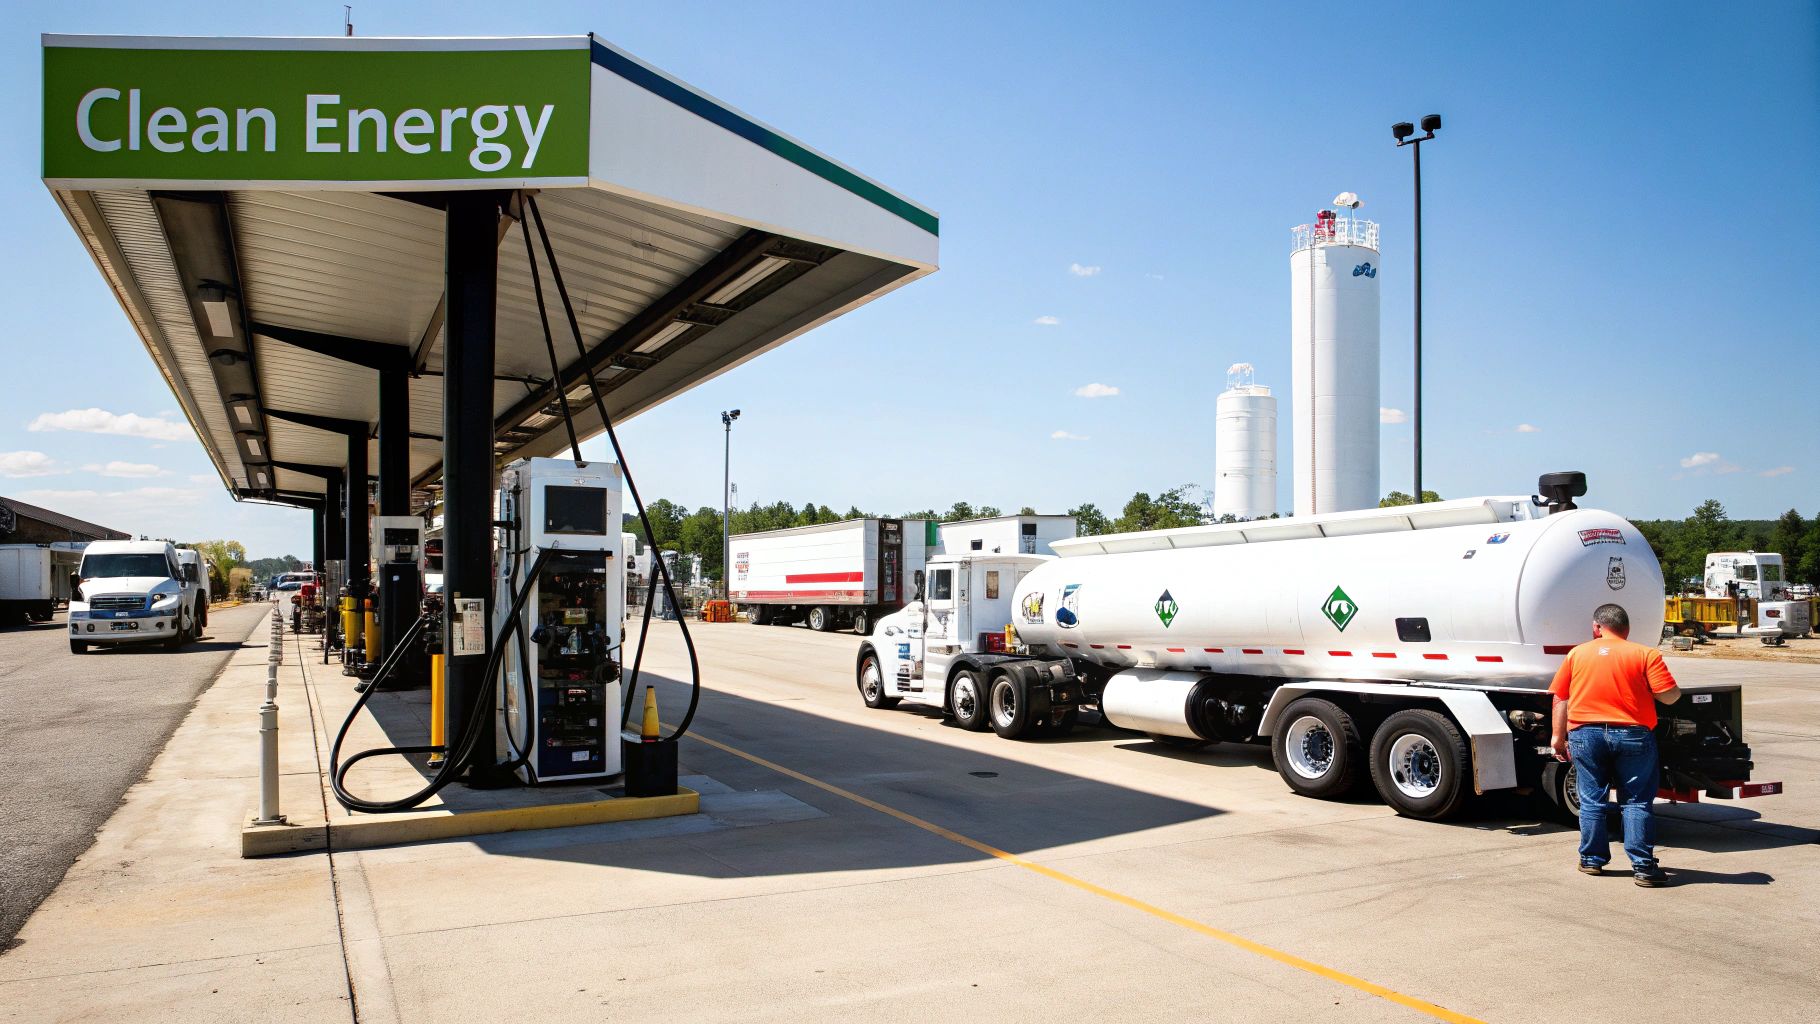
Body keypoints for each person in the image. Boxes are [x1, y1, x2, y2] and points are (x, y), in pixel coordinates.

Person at [1549, 603, 1681, 886]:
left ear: (1597, 627)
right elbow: (1669, 696)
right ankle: (1644, 868)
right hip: (1633, 734)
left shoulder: (1577, 654)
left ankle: (1592, 860)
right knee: (1636, 800)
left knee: (1592, 799)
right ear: (1627, 630)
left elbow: (1561, 697)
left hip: (1585, 734)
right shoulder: (1645, 654)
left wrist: (1557, 738)